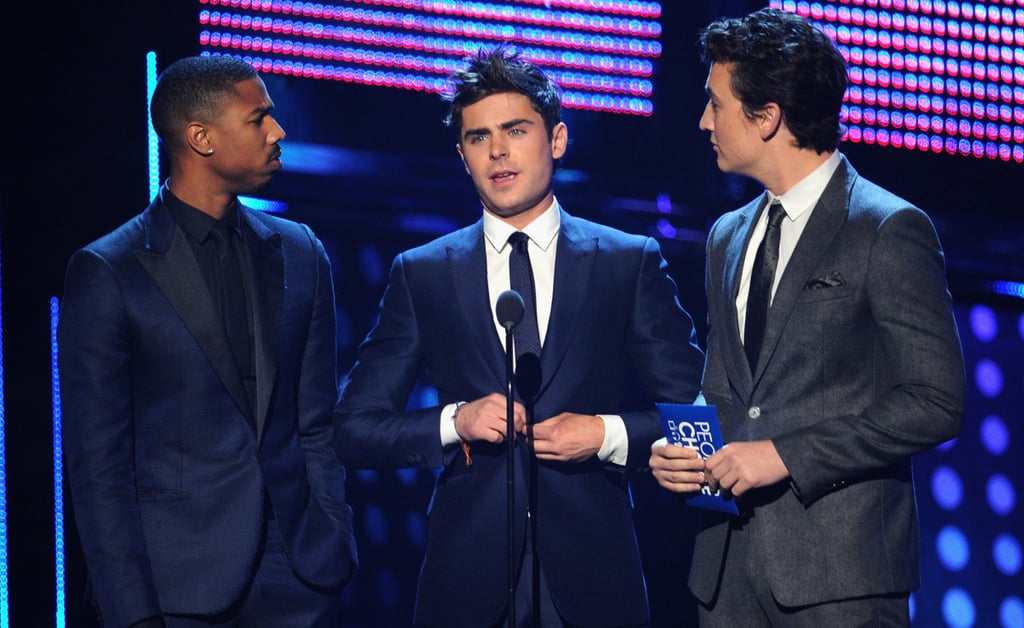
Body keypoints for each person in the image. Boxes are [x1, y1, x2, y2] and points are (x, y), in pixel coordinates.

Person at [335, 46, 705, 627]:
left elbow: (698, 419)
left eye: (515, 130)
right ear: (462, 156)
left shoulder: (626, 262)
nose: (498, 151)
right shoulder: (423, 271)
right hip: (466, 580)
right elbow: (352, 429)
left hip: (594, 576)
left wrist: (604, 433)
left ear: (556, 139)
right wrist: (453, 421)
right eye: (479, 138)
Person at [648, 8, 966, 626]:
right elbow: (724, 386)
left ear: (767, 117)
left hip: (840, 577)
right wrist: (683, 453)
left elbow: (935, 399)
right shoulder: (726, 236)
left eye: (715, 104)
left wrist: (785, 454)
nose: (703, 120)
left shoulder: (887, 228)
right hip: (726, 574)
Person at [58, 55, 357, 627]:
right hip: (177, 592)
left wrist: (332, 538)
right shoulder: (109, 270)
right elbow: (99, 468)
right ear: (200, 138)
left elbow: (315, 421)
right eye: (258, 119)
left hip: (300, 578)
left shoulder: (301, 252)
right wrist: (132, 614)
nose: (278, 133)